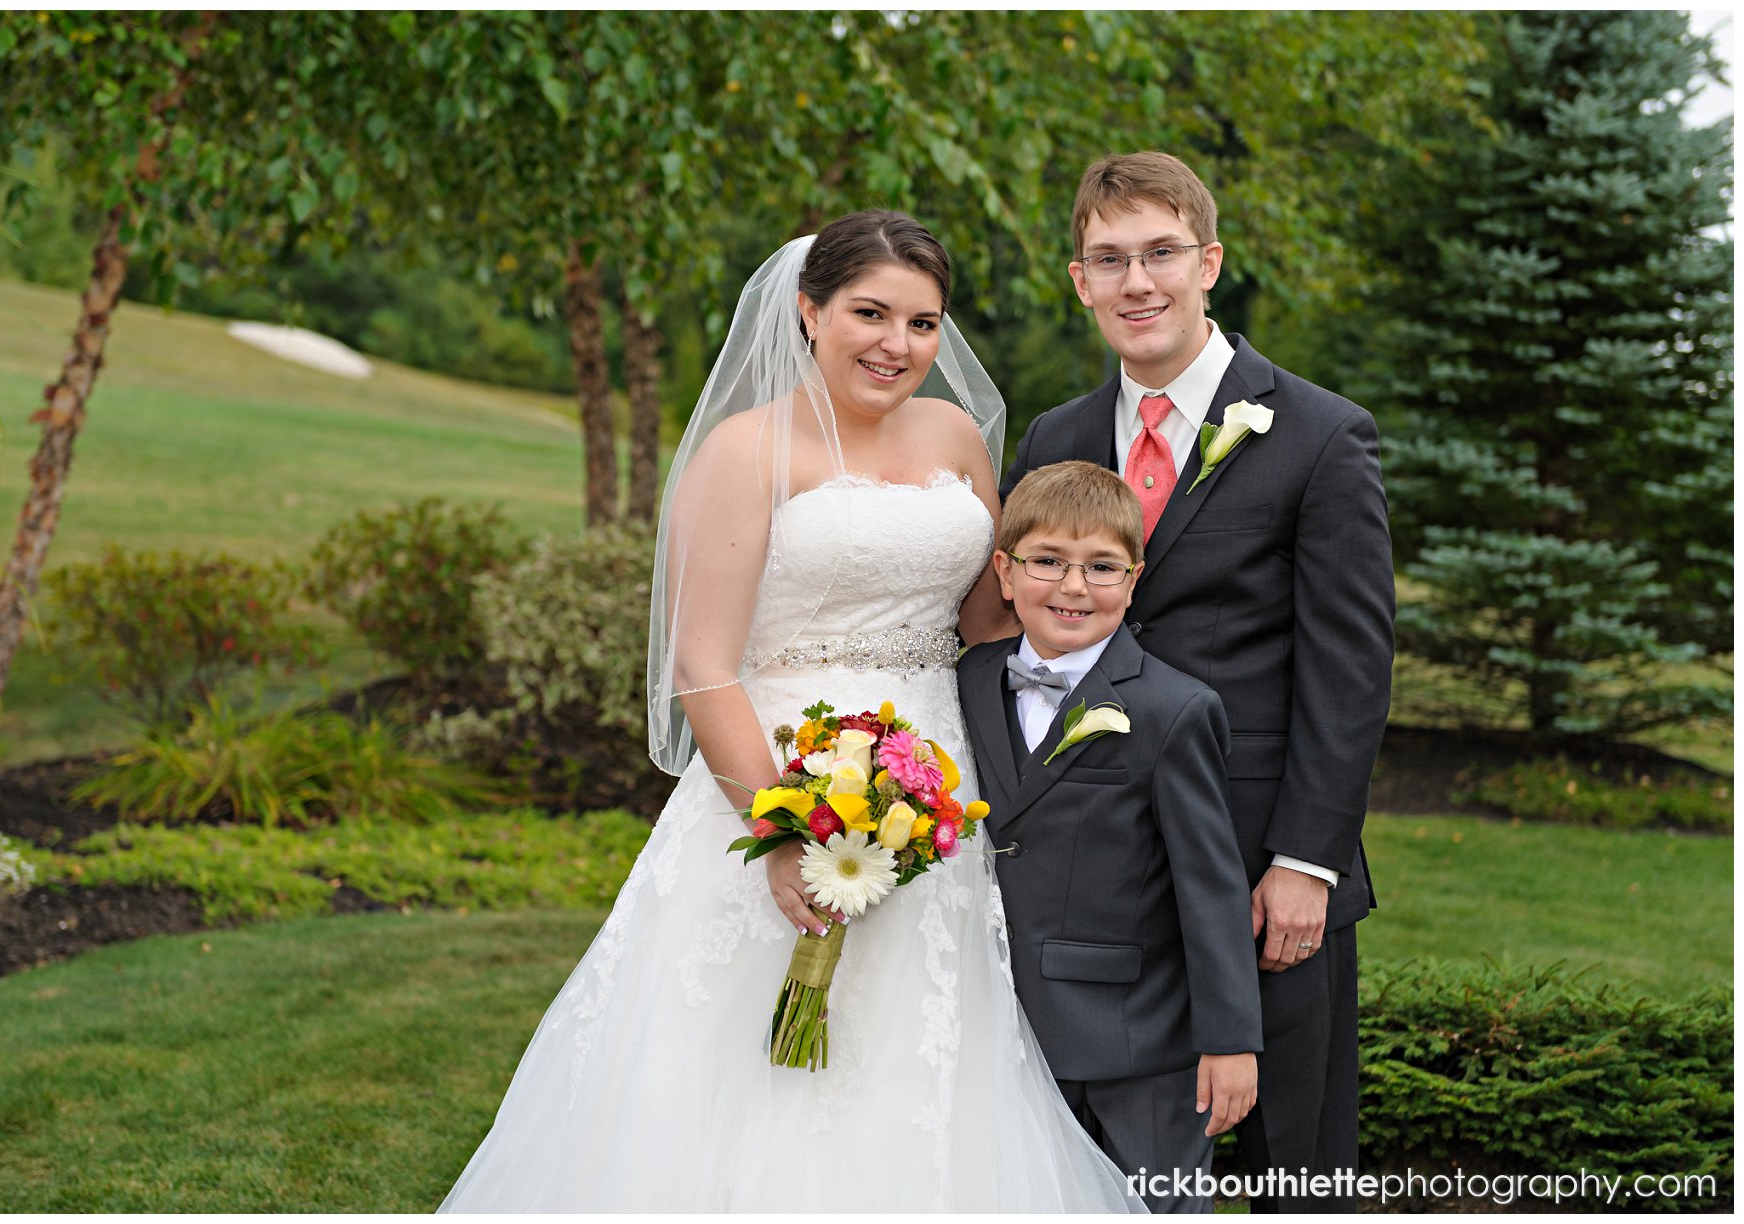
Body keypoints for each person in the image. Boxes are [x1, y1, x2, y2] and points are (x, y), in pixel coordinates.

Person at [439, 211, 1142, 1212]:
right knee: (742, 1067)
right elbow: (705, 667)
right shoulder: (744, 450)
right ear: (809, 311)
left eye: (923, 322)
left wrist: (1076, 585)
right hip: (776, 781)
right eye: (869, 313)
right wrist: (778, 832)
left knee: (922, 1046)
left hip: (937, 789)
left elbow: (983, 618)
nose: (896, 345)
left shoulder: (952, 433)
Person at [1000, 153, 1395, 1212]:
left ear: (1208, 263)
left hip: (1263, 861)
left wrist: (1307, 859)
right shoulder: (1055, 439)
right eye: (1109, 258)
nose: (1138, 282)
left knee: (1287, 1162)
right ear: (1079, 279)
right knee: (1087, 1155)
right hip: (1094, 881)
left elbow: (1349, 669)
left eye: (1160, 253)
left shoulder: (1320, 435)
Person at [957, 460, 1263, 1213]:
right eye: (1048, 562)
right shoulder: (965, 682)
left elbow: (1211, 887)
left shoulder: (1172, 708)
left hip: (1138, 1045)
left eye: (1101, 567)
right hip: (998, 1021)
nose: (1072, 587)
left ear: (1133, 579)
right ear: (1004, 570)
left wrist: (1231, 1041)